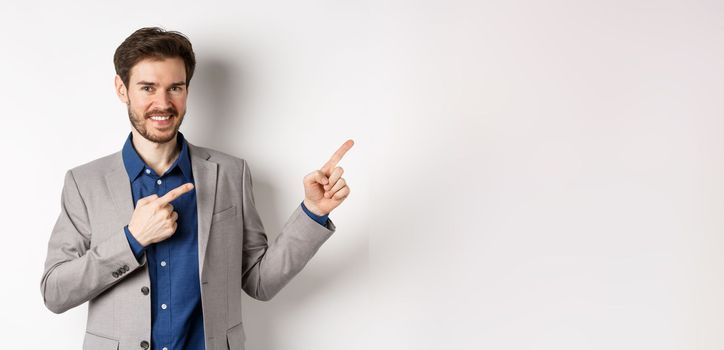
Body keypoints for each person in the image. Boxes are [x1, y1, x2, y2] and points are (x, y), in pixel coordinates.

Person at [40, 27, 353, 350]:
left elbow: (260, 282)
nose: (162, 103)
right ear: (122, 89)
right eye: (148, 88)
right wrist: (132, 240)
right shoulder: (84, 183)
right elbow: (55, 292)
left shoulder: (231, 172)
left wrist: (313, 212)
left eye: (174, 88)